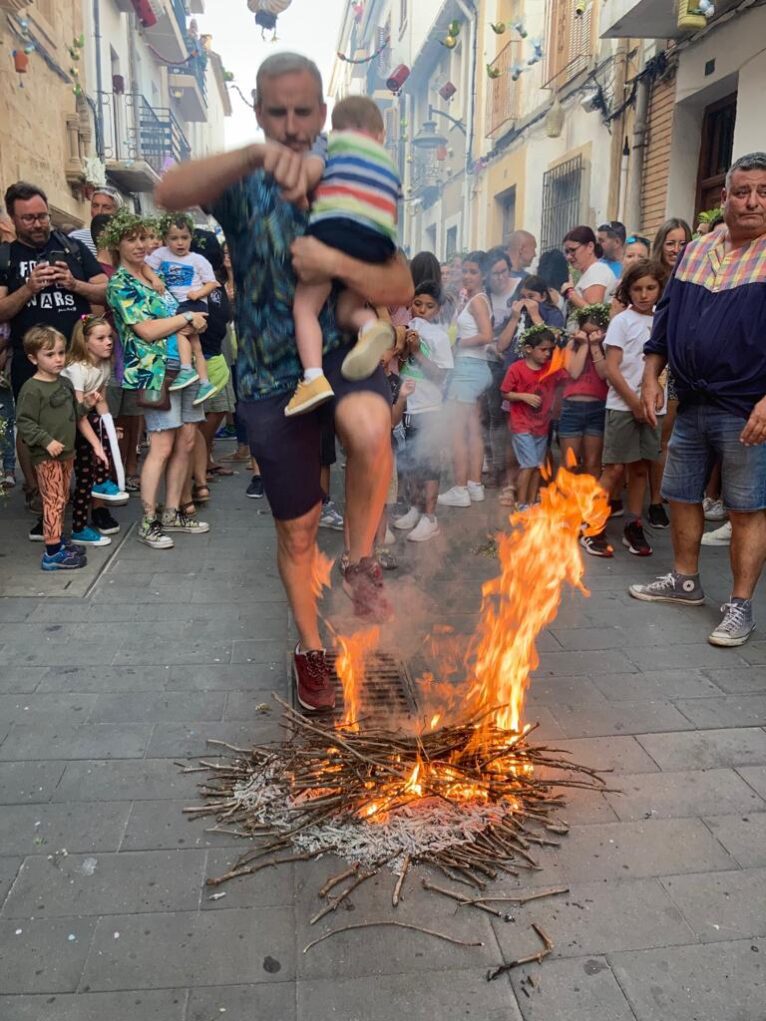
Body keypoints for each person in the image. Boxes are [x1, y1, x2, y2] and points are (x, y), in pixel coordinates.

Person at [155, 51, 414, 711]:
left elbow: (400, 283)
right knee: (297, 529)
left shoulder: (351, 166)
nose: (294, 125)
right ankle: (310, 652)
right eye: (279, 112)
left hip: (343, 355)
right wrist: (251, 156)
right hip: (271, 372)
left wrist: (330, 258)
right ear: (260, 110)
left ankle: (361, 564)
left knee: (368, 424)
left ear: (324, 112)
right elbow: (169, 192)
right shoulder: (244, 179)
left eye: (305, 111)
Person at [629, 152, 766, 647]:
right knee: (682, 493)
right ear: (724, 197)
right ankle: (685, 581)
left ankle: (740, 606)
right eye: (742, 191)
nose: (752, 201)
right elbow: (665, 317)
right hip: (691, 401)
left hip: (747, 407)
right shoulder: (698, 249)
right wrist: (651, 374)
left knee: (746, 508)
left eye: (763, 192)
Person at [287, 95, 400, 416]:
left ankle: (313, 377)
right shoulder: (384, 160)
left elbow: (310, 173)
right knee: (348, 308)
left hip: (335, 234)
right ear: (380, 134)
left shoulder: (329, 143)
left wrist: (301, 197)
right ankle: (369, 326)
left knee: (305, 307)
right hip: (375, 243)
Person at [105, 209, 210, 550]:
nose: (140, 245)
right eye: (131, 239)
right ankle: (148, 521)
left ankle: (172, 512)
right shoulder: (120, 283)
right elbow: (146, 330)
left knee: (188, 440)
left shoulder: (153, 275)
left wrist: (194, 322)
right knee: (162, 444)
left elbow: (173, 313)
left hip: (184, 368)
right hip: (153, 372)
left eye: (143, 238)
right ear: (117, 244)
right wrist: (187, 319)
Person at [0, 182, 108, 511]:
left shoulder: (72, 248)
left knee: (84, 420)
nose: (38, 223)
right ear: (13, 219)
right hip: (30, 360)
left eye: (42, 216)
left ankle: (83, 490)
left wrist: (74, 284)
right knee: (31, 424)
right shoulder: (6, 257)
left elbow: (106, 292)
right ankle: (38, 491)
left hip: (77, 358)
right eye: (28, 218)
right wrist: (29, 288)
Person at [581, 259, 667, 558]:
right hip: (622, 406)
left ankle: (634, 525)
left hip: (654, 407)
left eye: (651, 288)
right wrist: (634, 402)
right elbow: (612, 371)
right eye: (638, 289)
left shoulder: (663, 320)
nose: (644, 295)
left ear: (660, 289)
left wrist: (653, 403)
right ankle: (592, 526)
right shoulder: (622, 322)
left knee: (640, 469)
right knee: (615, 469)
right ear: (628, 291)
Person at [15, 325, 100, 570]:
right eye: (49, 355)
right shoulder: (32, 389)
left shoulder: (63, 382)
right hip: (47, 455)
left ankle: (58, 540)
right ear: (33, 358)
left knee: (61, 499)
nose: (58, 359)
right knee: (52, 500)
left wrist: (88, 405)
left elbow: (73, 413)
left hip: (66, 453)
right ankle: (52, 552)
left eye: (61, 353)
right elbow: (25, 422)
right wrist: (46, 440)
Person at [62, 313, 127, 547]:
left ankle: (100, 484)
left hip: (82, 420)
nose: (108, 342)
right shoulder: (77, 369)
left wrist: (109, 429)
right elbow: (78, 413)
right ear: (84, 341)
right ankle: (75, 527)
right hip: (65, 425)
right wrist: (98, 444)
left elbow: (100, 402)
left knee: (87, 475)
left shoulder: (103, 365)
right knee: (82, 478)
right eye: (100, 338)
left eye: (110, 337)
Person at [395, 281, 453, 542]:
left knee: (429, 464)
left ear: (438, 310)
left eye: (429, 306)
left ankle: (430, 517)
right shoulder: (406, 330)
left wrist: (418, 352)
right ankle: (416, 508)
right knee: (411, 462)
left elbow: (441, 376)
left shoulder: (439, 337)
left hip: (429, 408)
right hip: (408, 406)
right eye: (417, 304)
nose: (422, 310)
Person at [438, 251, 493, 508]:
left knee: (457, 432)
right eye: (466, 271)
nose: (468, 276)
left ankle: (460, 488)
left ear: (484, 275)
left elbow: (486, 335)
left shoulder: (478, 301)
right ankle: (474, 485)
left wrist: (458, 342)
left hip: (468, 369)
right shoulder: (475, 298)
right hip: (476, 368)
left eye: (474, 272)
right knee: (473, 431)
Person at [647, 217, 693, 526]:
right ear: (661, 245)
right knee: (651, 436)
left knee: (667, 437)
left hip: (678, 372)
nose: (676, 249)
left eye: (682, 242)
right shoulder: (648, 277)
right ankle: (647, 497)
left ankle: (658, 499)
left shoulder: (696, 274)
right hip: (650, 364)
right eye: (670, 242)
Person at [146, 213, 218, 403]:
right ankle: (204, 383)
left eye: (184, 238)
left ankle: (186, 369)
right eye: (174, 238)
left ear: (191, 237)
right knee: (196, 346)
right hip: (180, 304)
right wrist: (154, 278)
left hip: (193, 302)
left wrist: (199, 293)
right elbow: (145, 267)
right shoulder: (161, 254)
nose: (180, 243)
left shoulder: (197, 259)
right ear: (165, 239)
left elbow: (212, 283)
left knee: (180, 333)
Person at [501, 324, 564, 509]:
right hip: (521, 425)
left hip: (541, 426)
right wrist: (523, 396)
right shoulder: (516, 368)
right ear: (528, 349)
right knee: (528, 464)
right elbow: (505, 393)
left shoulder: (551, 369)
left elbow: (568, 374)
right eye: (543, 349)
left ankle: (531, 501)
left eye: (550, 350)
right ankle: (521, 503)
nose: (547, 354)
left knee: (537, 466)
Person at [559, 303, 609, 478]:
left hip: (598, 408)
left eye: (595, 332)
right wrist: (584, 345)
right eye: (586, 332)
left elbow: (604, 374)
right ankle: (567, 503)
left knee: (593, 463)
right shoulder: (571, 347)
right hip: (572, 408)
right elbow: (574, 372)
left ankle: (591, 504)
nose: (590, 336)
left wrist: (595, 346)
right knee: (570, 463)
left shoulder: (607, 348)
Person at [561, 226, 618, 311]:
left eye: (573, 250)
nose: (569, 256)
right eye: (566, 252)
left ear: (590, 247)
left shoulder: (597, 270)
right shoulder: (591, 271)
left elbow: (593, 313)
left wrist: (569, 292)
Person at [69, 187, 122, 256]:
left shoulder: (127, 241)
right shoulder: (75, 238)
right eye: (95, 206)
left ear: (118, 213)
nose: (99, 212)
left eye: (106, 207)